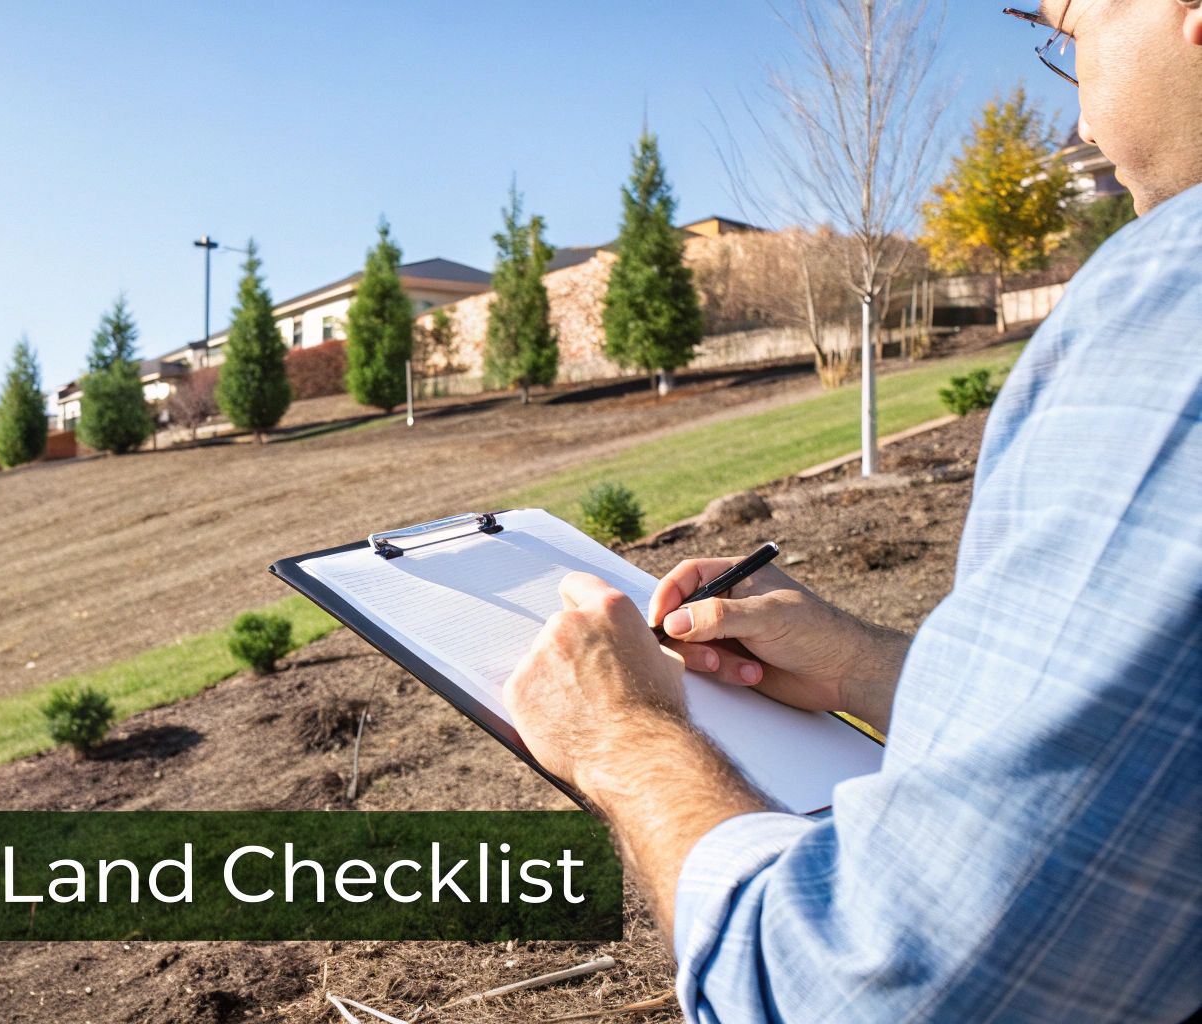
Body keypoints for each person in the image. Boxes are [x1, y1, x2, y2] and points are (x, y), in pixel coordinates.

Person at [502, 1, 1202, 1019]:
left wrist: (621, 740)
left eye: (1069, 33)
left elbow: (869, 989)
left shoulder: (1177, 295)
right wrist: (867, 670)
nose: (1083, 120)